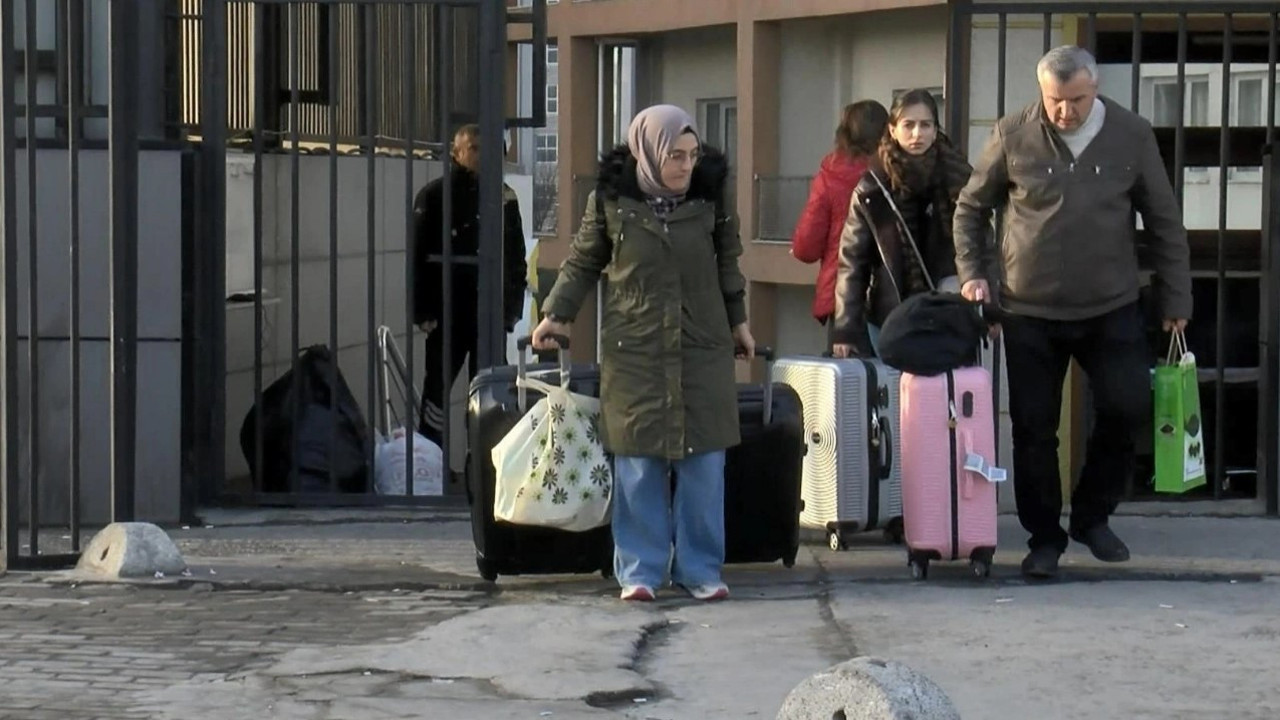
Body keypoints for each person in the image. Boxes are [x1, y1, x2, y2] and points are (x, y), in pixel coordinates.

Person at [952, 46, 1193, 579]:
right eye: (1055, 101)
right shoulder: (1013, 132)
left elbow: (1164, 221)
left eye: (1076, 100)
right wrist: (975, 275)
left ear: (1096, 88)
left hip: (1112, 305)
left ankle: (1092, 515)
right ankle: (1044, 540)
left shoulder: (1131, 134)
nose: (1064, 112)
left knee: (1128, 405)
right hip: (1027, 309)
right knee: (1034, 429)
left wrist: (1177, 299)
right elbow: (971, 207)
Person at [530, 104, 754, 603]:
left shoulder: (711, 197)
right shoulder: (611, 200)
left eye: (692, 155)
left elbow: (729, 264)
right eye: (675, 155)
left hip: (701, 344)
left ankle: (700, 569)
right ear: (646, 152)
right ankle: (640, 570)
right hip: (634, 345)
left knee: (704, 464)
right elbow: (584, 259)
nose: (685, 166)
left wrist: (739, 324)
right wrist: (557, 314)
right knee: (637, 462)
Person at [830, 89, 974, 357]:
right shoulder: (873, 188)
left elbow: (980, 243)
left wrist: (989, 308)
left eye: (925, 125)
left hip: (948, 313)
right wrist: (846, 329)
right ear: (893, 130)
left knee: (944, 395)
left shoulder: (959, 177)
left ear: (935, 129)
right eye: (908, 125)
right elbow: (853, 261)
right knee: (897, 395)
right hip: (890, 315)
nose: (917, 134)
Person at [413, 124, 528, 446]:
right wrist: (422, 311)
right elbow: (418, 256)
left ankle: (481, 465)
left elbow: (516, 257)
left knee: (489, 394)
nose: (482, 156)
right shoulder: (435, 196)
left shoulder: (504, 197)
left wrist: (511, 309)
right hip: (447, 311)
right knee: (436, 390)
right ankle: (432, 461)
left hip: (488, 312)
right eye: (474, 148)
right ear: (456, 153)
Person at [790, 100, 889, 332]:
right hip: (891, 292)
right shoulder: (893, 173)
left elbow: (806, 248)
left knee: (849, 368)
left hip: (842, 294)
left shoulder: (830, 177)